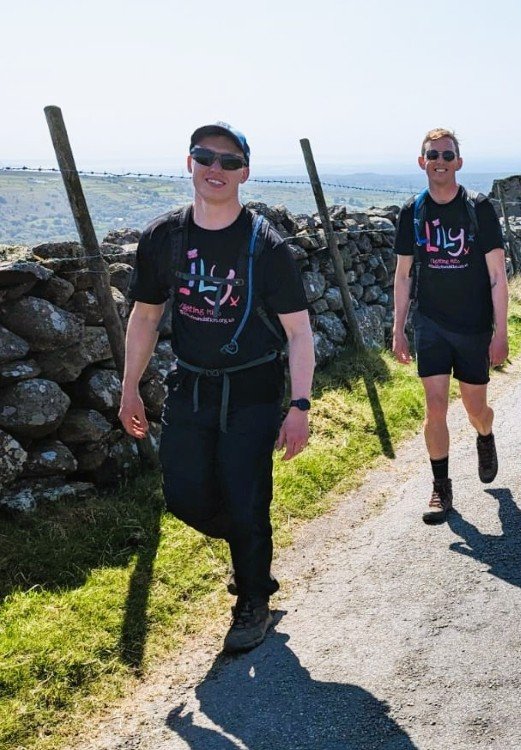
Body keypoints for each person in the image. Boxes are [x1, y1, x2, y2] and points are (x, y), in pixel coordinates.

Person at [120, 122, 315, 652]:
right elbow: (144, 315)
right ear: (190, 163)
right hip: (190, 386)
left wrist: (299, 405)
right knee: (183, 496)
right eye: (205, 156)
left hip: (253, 389)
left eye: (229, 161)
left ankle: (253, 598)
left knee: (247, 494)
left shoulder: (266, 246)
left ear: (244, 174)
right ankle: (250, 547)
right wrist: (129, 387)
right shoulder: (164, 237)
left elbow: (299, 332)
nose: (216, 168)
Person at [392, 128, 509, 525]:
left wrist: (501, 331)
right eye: (432, 155)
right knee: (435, 406)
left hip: (474, 324)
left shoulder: (478, 208)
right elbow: (404, 274)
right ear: (421, 161)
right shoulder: (413, 211)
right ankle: (441, 488)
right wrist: (398, 328)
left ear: (458, 161)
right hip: (431, 323)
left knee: (475, 407)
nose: (439, 161)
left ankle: (485, 433)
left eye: (447, 155)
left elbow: (497, 275)